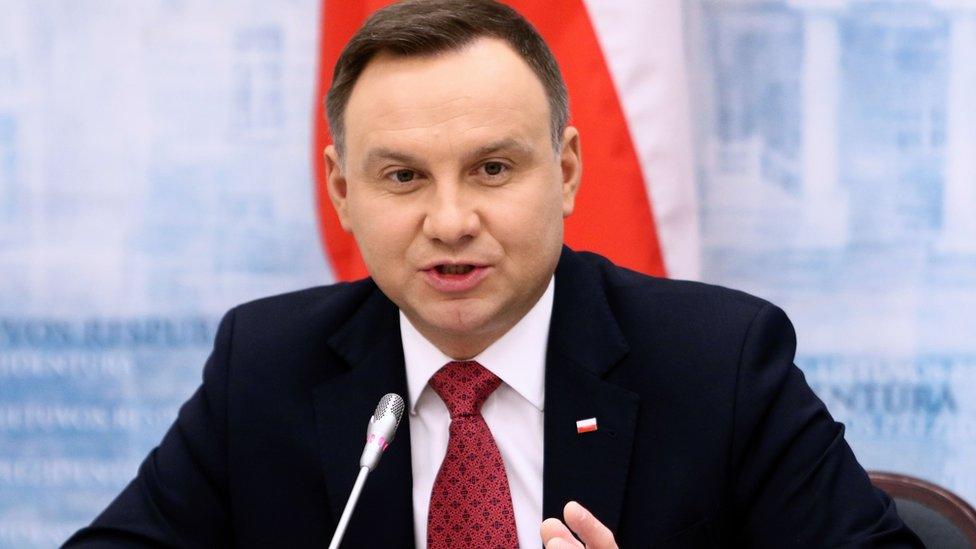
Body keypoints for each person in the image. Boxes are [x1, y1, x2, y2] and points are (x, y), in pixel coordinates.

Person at [65, 1, 922, 547]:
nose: (450, 221)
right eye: (403, 177)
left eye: (493, 169)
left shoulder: (719, 360)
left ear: (569, 170)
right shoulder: (265, 362)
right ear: (341, 190)